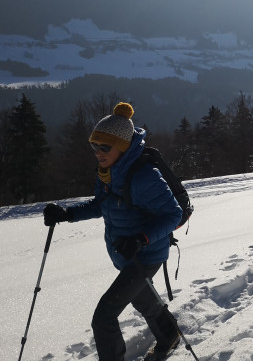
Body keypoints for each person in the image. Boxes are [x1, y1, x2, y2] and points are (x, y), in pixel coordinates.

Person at [43, 102, 183, 361]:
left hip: (147, 255)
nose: (97, 152)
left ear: (123, 146)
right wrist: (68, 214)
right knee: (143, 301)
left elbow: (173, 214)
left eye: (104, 147)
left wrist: (141, 239)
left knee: (104, 316)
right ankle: (169, 334)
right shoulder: (108, 173)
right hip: (126, 253)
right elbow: (102, 205)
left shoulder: (145, 176)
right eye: (94, 146)